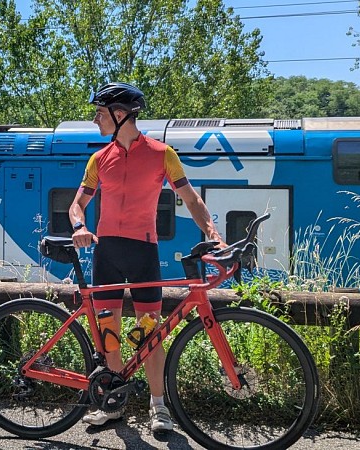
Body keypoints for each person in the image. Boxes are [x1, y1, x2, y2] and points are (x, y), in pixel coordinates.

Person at [69, 82, 225, 432]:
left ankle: (159, 407)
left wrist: (213, 233)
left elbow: (191, 199)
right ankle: (113, 402)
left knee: (150, 333)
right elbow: (77, 204)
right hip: (107, 252)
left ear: (119, 114)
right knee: (108, 331)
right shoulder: (98, 159)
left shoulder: (161, 154)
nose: (96, 119)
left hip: (143, 251)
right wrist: (79, 226)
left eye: (100, 113)